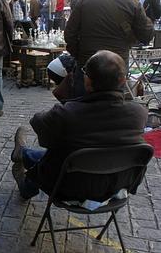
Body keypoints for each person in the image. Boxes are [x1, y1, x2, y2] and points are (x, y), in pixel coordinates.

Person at [11, 50, 148, 202]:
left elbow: (38, 123)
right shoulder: (139, 114)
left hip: (67, 187)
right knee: (65, 153)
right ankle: (23, 157)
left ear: (87, 81)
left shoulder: (67, 113)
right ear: (123, 81)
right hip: (115, 187)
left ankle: (23, 153)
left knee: (55, 155)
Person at [65, 0, 153, 98]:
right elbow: (147, 35)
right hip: (117, 65)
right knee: (113, 107)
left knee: (80, 107)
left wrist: (79, 54)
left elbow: (69, 33)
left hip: (87, 62)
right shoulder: (133, 4)